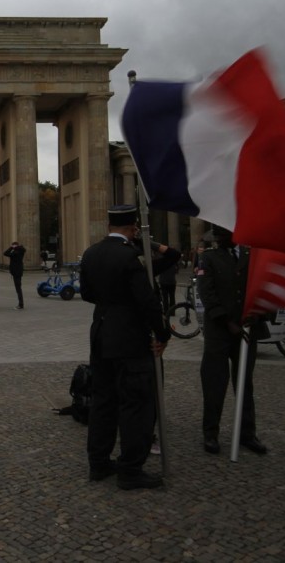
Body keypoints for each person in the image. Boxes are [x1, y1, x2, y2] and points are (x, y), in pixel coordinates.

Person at [79, 204, 169, 490]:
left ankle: (99, 463)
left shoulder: (91, 253)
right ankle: (131, 469)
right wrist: (162, 333)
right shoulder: (130, 257)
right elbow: (147, 301)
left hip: (101, 333)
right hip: (130, 338)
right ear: (132, 229)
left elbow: (87, 293)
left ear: (108, 227)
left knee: (103, 402)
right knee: (136, 403)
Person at [198, 225, 268, 457]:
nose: (218, 239)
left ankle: (247, 433)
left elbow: (262, 288)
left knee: (244, 384)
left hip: (247, 331)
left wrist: (255, 314)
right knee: (214, 384)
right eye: (216, 235)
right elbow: (207, 293)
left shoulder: (251, 256)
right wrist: (228, 322)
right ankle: (210, 432)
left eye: (222, 234)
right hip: (220, 331)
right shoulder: (208, 258)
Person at [3, 241, 27, 309]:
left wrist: (11, 248)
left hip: (16, 272)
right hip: (17, 271)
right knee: (18, 288)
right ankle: (21, 303)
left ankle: (21, 304)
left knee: (18, 288)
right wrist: (13, 248)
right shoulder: (19, 250)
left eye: (13, 246)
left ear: (15, 246)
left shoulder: (17, 252)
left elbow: (5, 253)